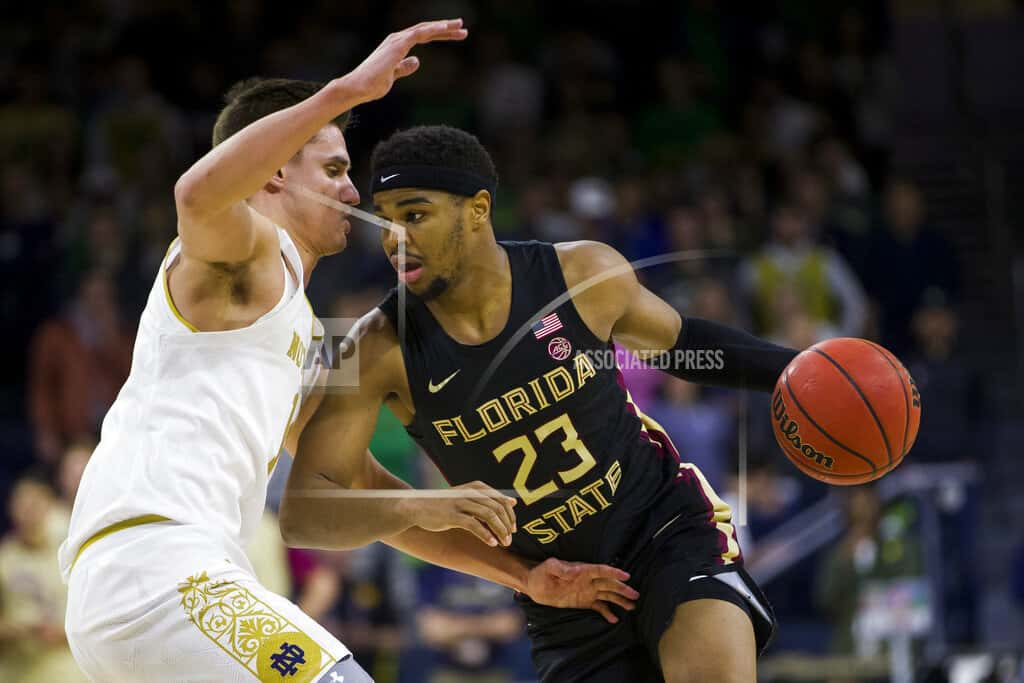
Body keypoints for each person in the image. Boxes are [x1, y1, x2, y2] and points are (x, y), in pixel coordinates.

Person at [59, 22, 622, 683]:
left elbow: (360, 485)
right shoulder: (246, 255)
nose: (354, 194)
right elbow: (194, 192)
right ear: (271, 172)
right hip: (158, 573)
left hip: (142, 596)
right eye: (333, 169)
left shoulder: (304, 326)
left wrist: (523, 575)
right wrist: (341, 93)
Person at [282, 125, 803, 681]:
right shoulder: (375, 347)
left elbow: (682, 345)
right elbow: (306, 513)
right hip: (562, 588)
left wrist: (802, 371)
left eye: (414, 215)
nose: (393, 237)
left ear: (477, 210)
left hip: (666, 530)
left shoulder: (578, 274)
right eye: (383, 218)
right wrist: (423, 506)